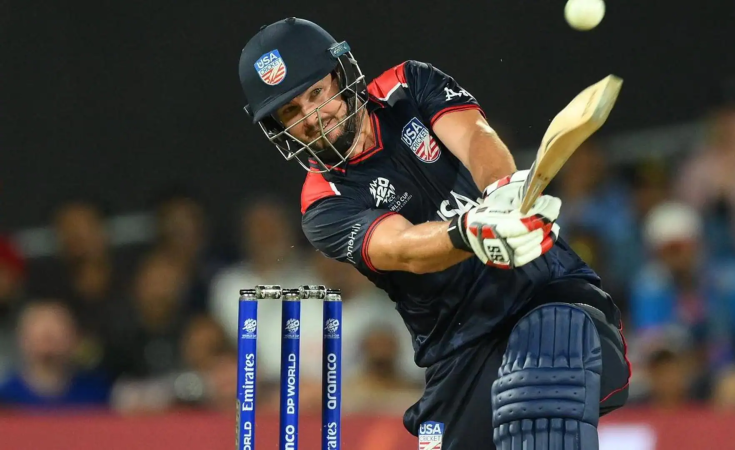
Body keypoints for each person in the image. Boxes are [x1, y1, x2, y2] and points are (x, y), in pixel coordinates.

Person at [237, 17, 631, 450]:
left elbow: (476, 137)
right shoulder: (322, 206)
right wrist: (470, 232)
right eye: (291, 111)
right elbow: (403, 248)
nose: (312, 117)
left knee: (546, 374)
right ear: (278, 128)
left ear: (340, 75)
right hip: (459, 350)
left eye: (316, 93)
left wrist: (501, 192)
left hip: (548, 293)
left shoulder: (406, 86)